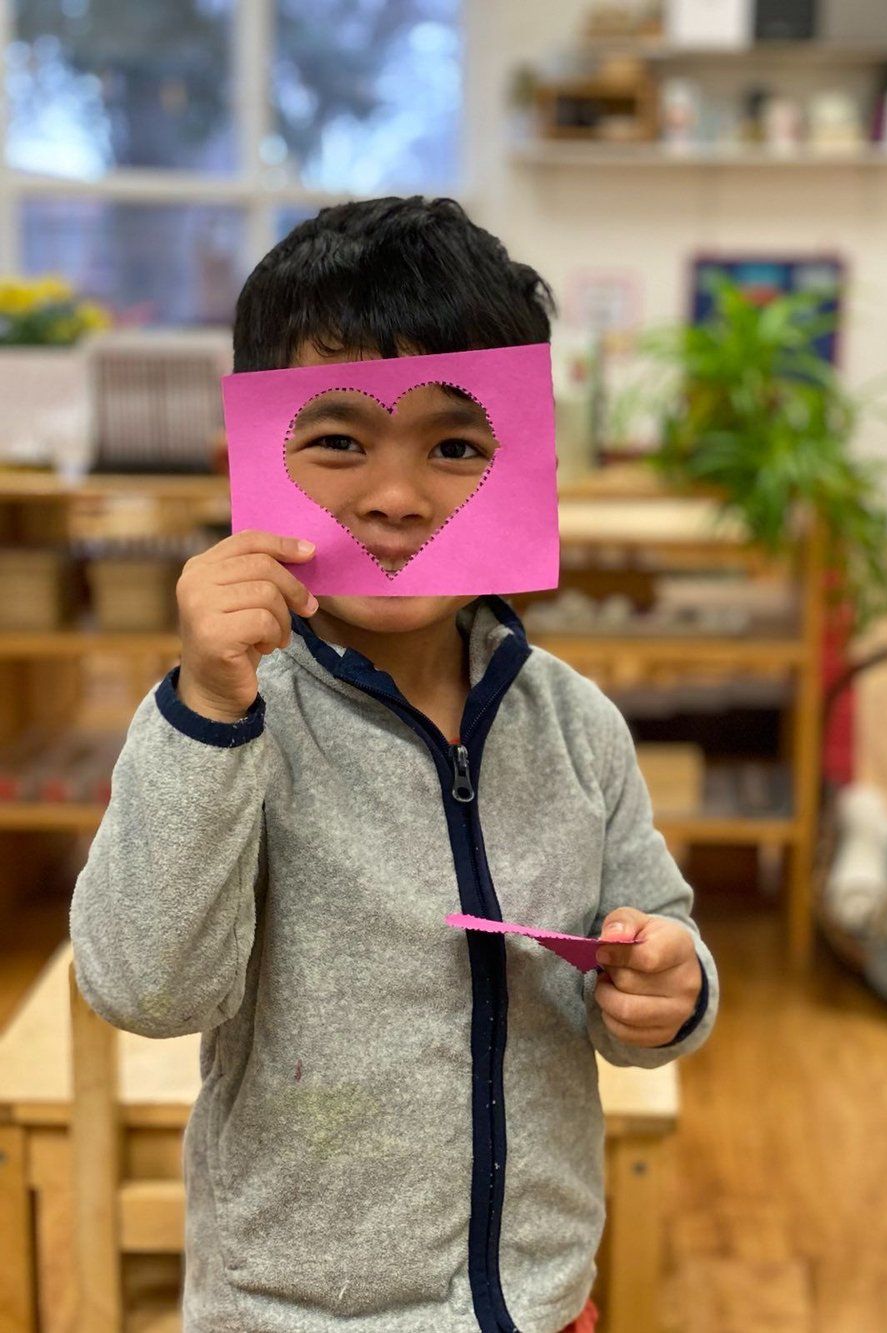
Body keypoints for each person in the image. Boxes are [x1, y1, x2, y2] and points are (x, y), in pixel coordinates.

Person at [69, 196, 719, 1333]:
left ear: (520, 458)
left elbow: (645, 932)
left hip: (537, 1299)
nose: (394, 496)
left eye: (455, 446)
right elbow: (145, 989)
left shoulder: (573, 722)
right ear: (251, 450)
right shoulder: (223, 721)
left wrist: (670, 984)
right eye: (336, 442)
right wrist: (209, 711)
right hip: (295, 1313)